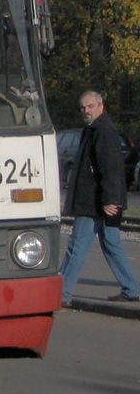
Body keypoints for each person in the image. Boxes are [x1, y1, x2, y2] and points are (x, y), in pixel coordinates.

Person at [60, 90, 140, 305]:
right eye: (83, 107)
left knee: (76, 246)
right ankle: (132, 288)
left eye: (90, 106)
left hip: (95, 202)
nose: (86, 110)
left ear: (100, 105)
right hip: (102, 200)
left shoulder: (102, 131)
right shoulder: (95, 129)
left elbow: (110, 168)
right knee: (111, 244)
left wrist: (109, 200)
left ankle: (61, 293)